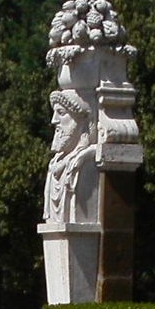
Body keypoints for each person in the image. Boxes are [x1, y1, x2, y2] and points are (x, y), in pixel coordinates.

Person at [43, 89, 97, 223]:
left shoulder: (84, 163)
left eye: (61, 113)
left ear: (83, 120)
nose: (54, 120)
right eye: (54, 113)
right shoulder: (55, 163)